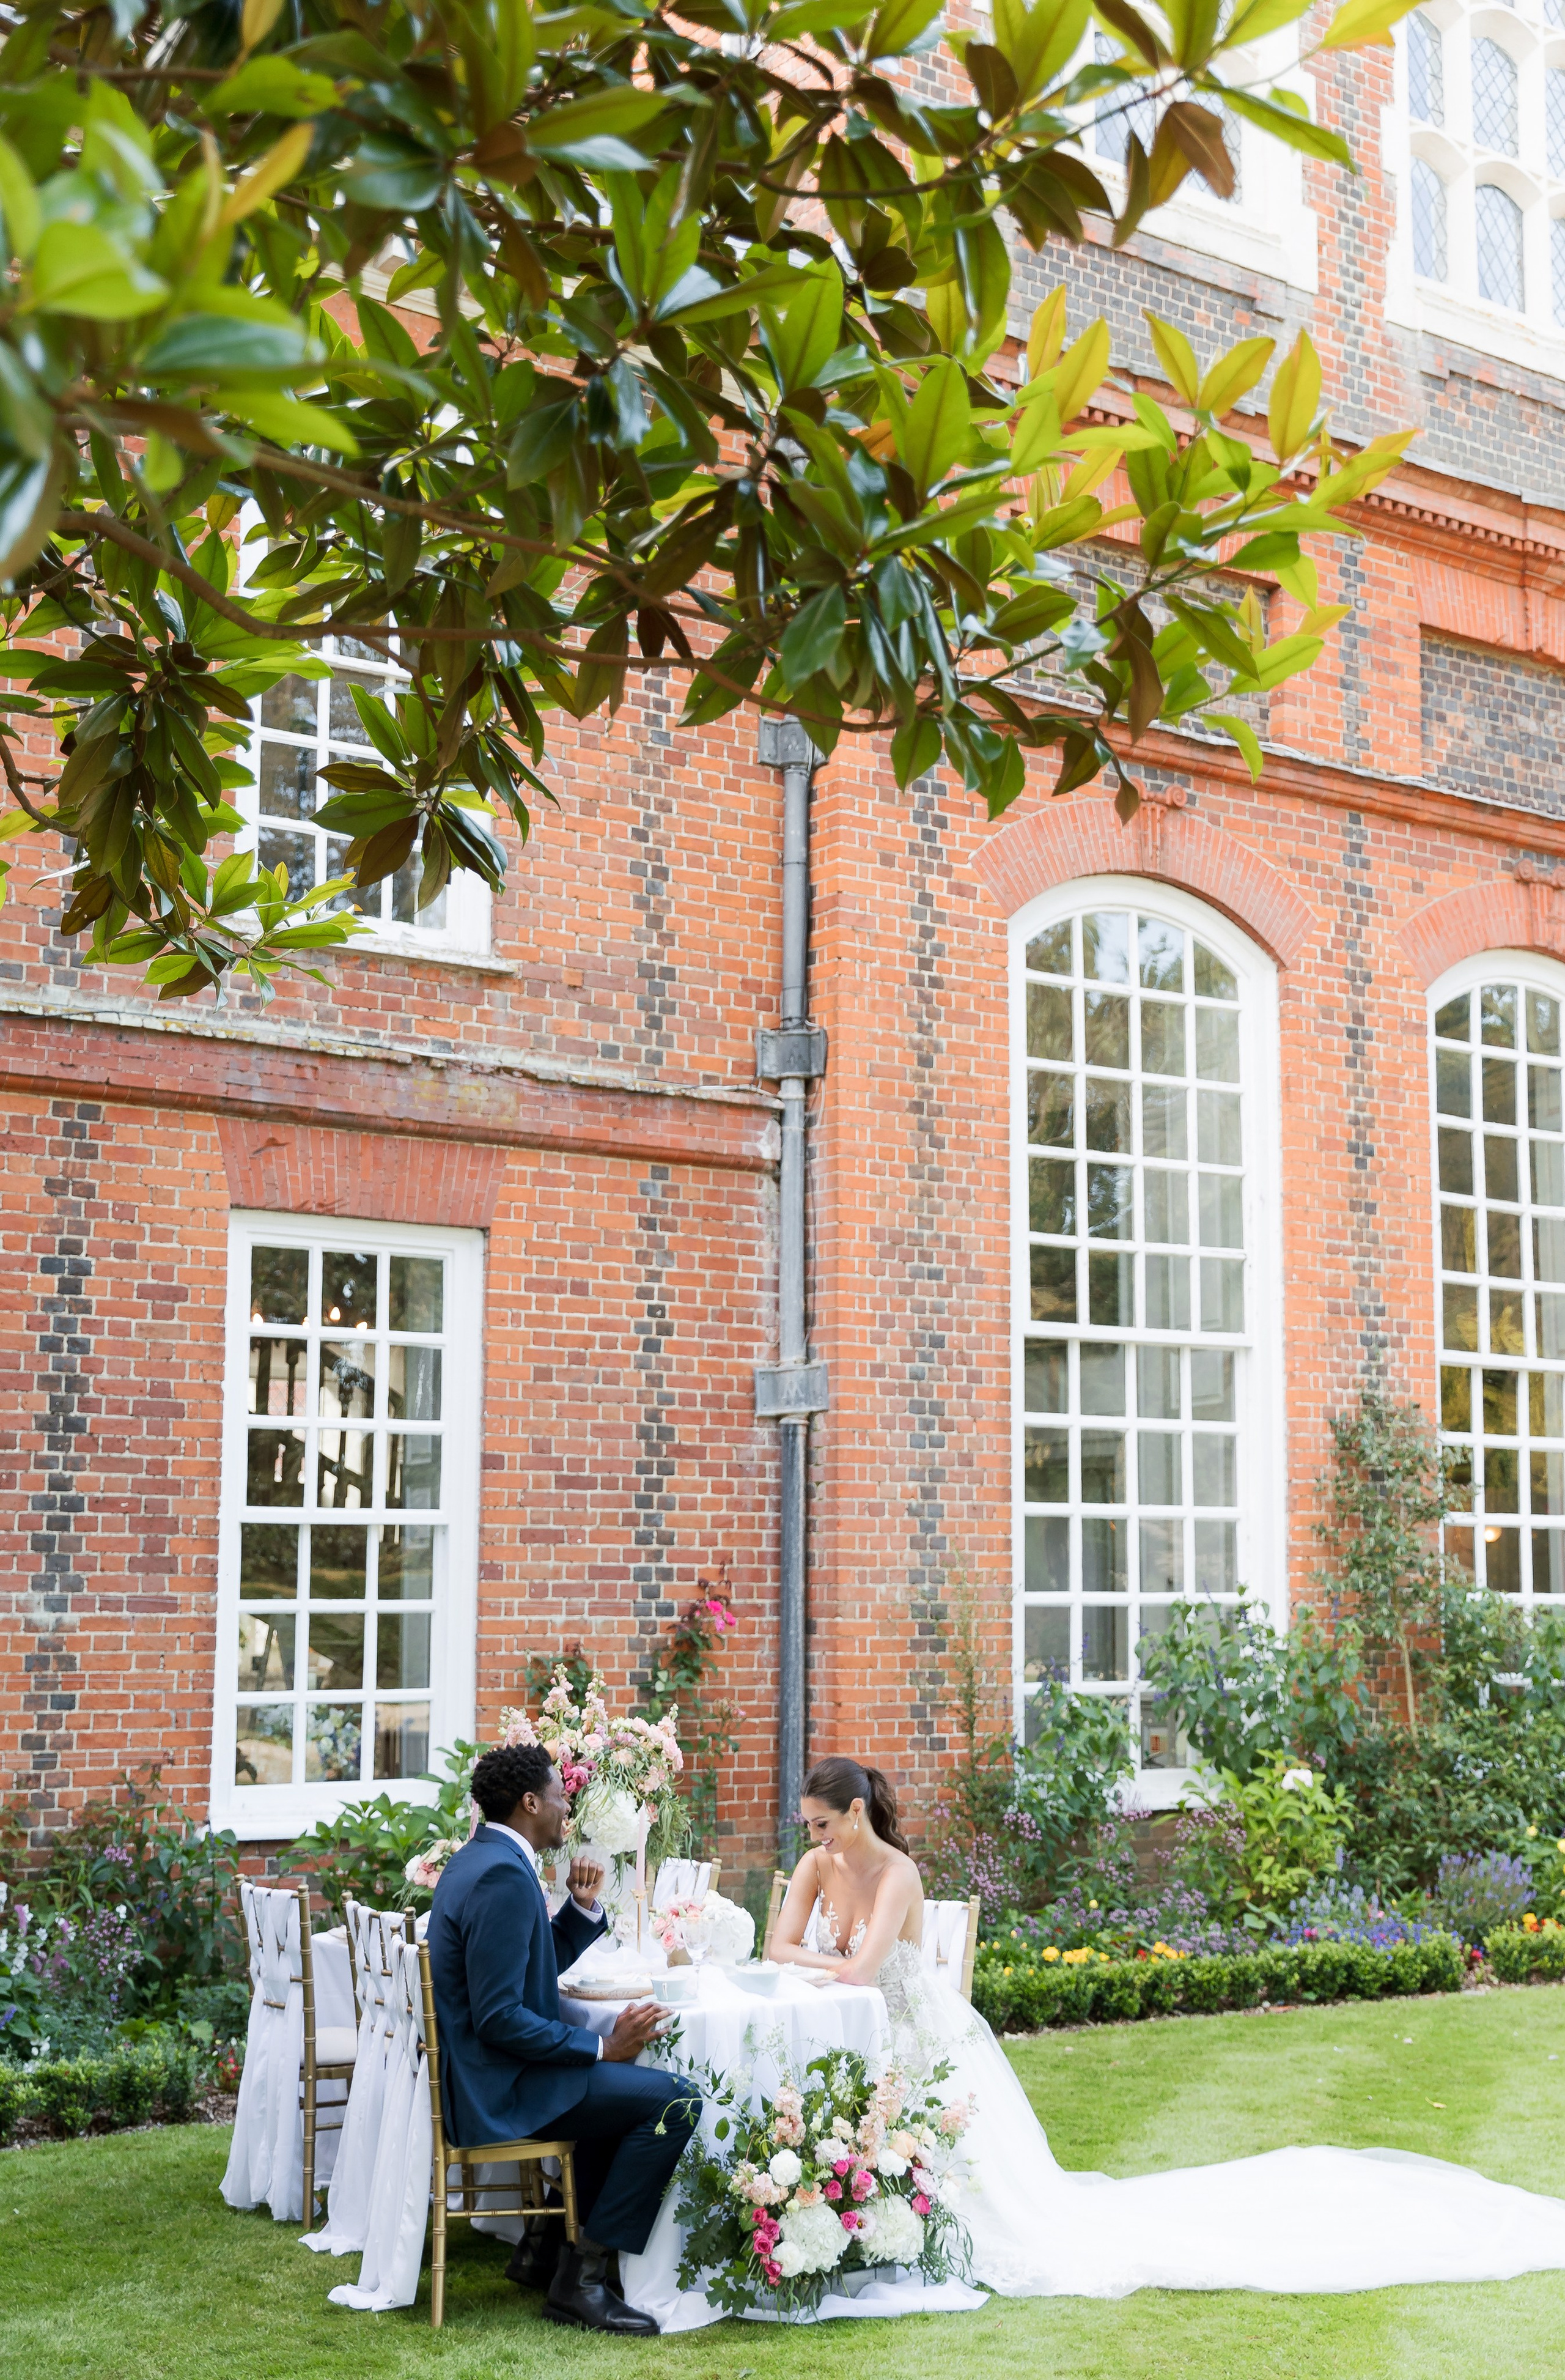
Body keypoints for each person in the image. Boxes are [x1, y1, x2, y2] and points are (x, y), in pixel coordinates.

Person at [769, 1754, 1565, 2297]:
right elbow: (775, 1944)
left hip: (915, 2029)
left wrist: (815, 1959)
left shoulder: (898, 1873)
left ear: (856, 1811)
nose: (814, 1839)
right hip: (856, 2024)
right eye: (808, 1826)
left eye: (822, 1824)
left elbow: (862, 1970)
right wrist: (818, 1957)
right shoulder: (815, 1866)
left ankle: (906, 2222)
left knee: (1009, 2198)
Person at [426, 1742, 702, 2334]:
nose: (566, 1809)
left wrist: (580, 1910)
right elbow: (500, 2017)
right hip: (499, 2089)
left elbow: (521, 1968)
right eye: (559, 1796)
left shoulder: (481, 1857)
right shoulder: (502, 1874)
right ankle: (584, 2279)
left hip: (491, 2074)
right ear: (530, 1802)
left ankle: (547, 2250)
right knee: (673, 2102)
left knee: (626, 2098)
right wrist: (603, 2048)